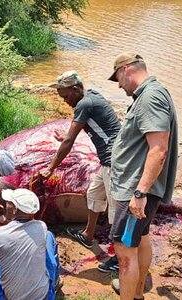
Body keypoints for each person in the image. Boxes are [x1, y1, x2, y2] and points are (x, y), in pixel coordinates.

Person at [108, 52, 178, 300]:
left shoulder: (150, 96)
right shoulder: (151, 94)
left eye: (117, 77)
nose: (118, 84)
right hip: (140, 191)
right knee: (142, 239)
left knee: (125, 251)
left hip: (136, 192)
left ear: (126, 69)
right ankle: (137, 294)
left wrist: (139, 193)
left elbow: (159, 149)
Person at [40, 70, 121, 270]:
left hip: (115, 162)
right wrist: (67, 135)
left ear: (76, 89)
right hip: (107, 161)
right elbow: (88, 127)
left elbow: (70, 141)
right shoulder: (91, 97)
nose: (65, 101)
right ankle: (88, 234)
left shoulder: (85, 104)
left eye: (66, 96)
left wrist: (51, 168)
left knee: (117, 213)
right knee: (94, 195)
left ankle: (120, 258)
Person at [0, 188, 58, 300]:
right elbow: (21, 226)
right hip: (43, 297)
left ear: (15, 209)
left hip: (11, 297)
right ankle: (54, 282)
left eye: (9, 202)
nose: (5, 204)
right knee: (49, 236)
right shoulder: (42, 227)